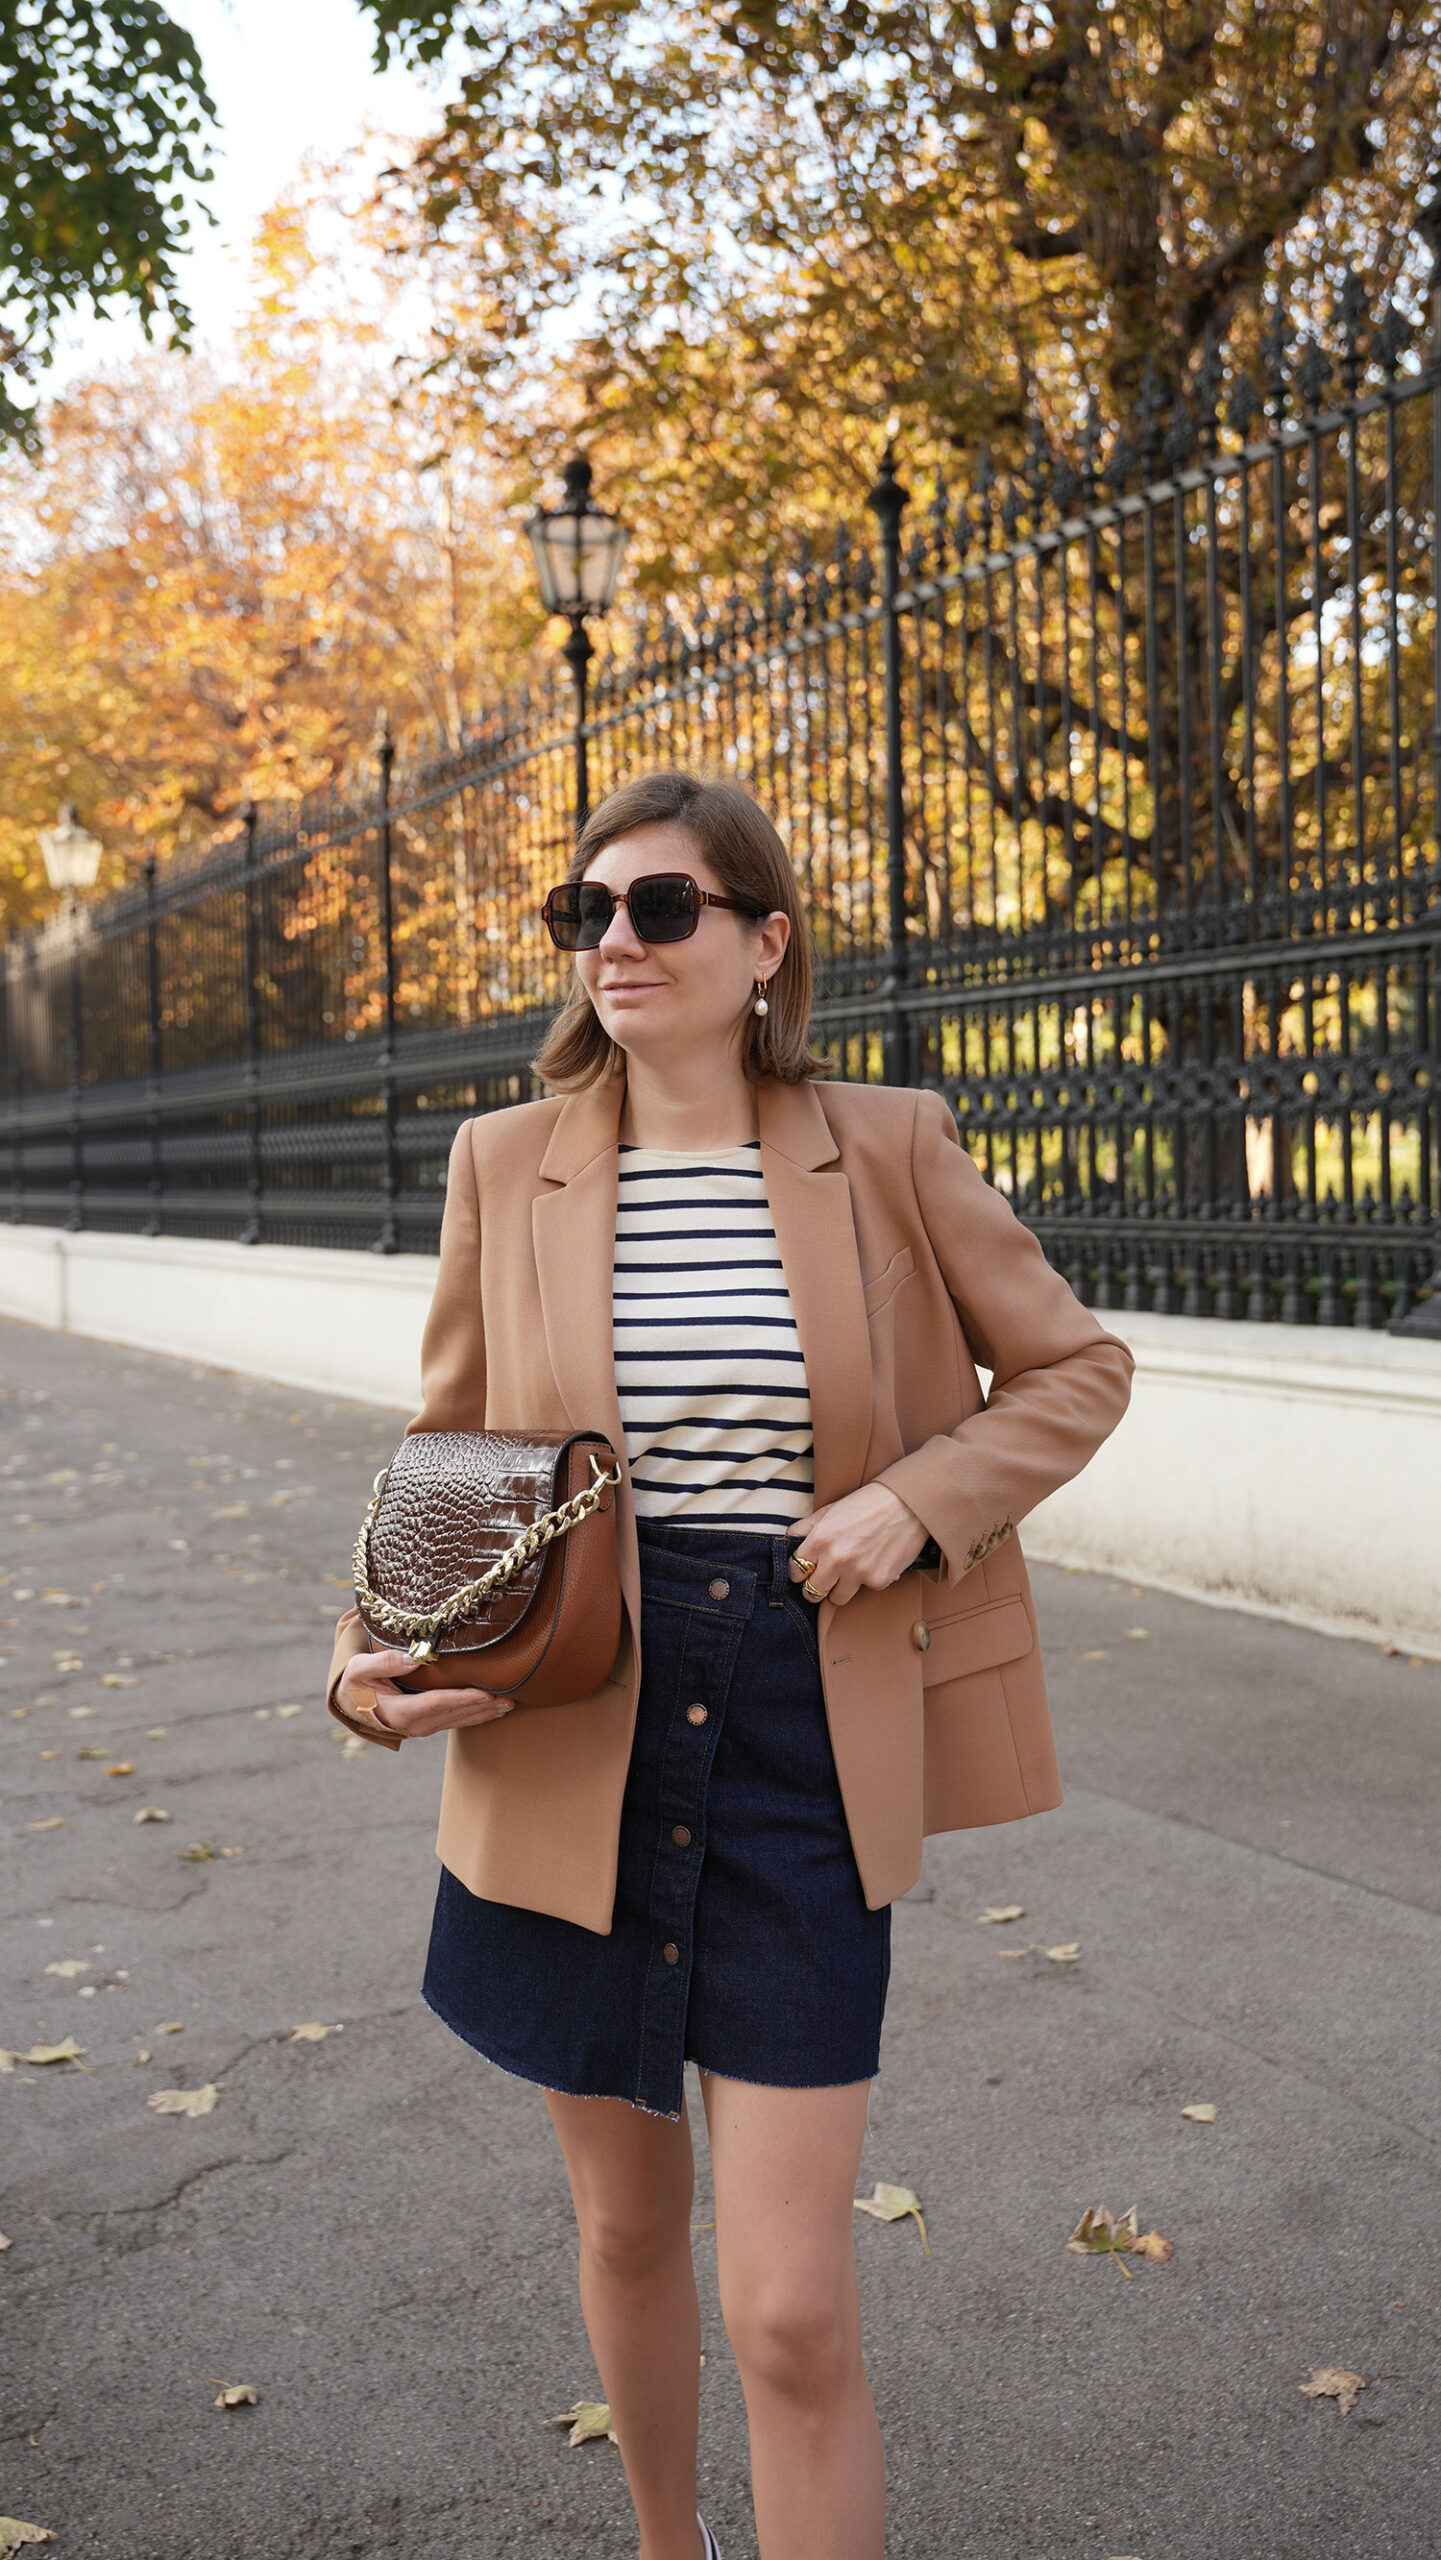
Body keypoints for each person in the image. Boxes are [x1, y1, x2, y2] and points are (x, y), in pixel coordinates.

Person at [325, 768, 1133, 2560]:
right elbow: (447, 1452)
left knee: (788, 2306)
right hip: (572, 1717)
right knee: (621, 2228)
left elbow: (1076, 1372)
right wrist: (360, 1655)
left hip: (797, 1720)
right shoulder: (500, 1163)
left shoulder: (889, 1143)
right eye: (586, 911)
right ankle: (664, 2545)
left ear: (764, 943)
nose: (614, 940)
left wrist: (914, 1504)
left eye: (662, 907)